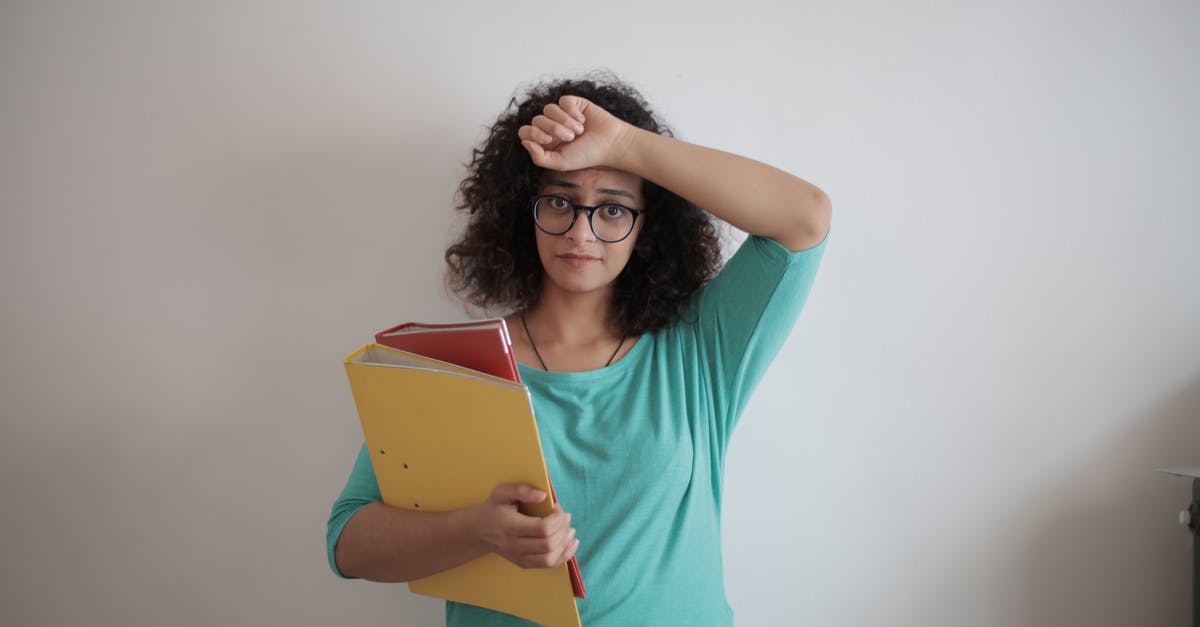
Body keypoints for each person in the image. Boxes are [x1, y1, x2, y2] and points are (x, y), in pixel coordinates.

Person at [326, 73, 831, 626]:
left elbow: (805, 218)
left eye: (613, 208)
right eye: (559, 201)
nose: (581, 233)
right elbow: (347, 543)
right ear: (522, 212)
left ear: (647, 228)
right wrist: (477, 531)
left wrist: (623, 144)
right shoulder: (453, 366)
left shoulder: (699, 347)